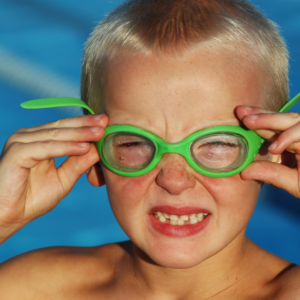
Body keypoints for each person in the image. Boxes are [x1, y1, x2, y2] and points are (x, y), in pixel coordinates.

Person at [0, 0, 300, 298]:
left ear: (275, 151)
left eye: (217, 143)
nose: (173, 179)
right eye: (134, 143)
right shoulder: (37, 287)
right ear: (94, 156)